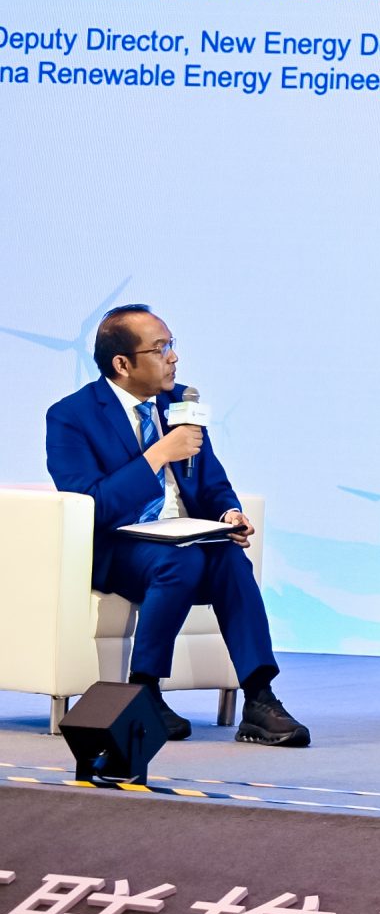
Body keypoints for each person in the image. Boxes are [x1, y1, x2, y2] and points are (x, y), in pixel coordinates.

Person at [43, 304, 310, 746]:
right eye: (160, 348)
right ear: (122, 364)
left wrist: (228, 514)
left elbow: (212, 482)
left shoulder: (181, 404)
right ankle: (144, 690)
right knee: (179, 563)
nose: (173, 357)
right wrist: (158, 454)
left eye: (171, 345)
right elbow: (92, 504)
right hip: (119, 547)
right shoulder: (71, 416)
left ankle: (259, 697)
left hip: (185, 537)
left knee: (229, 558)